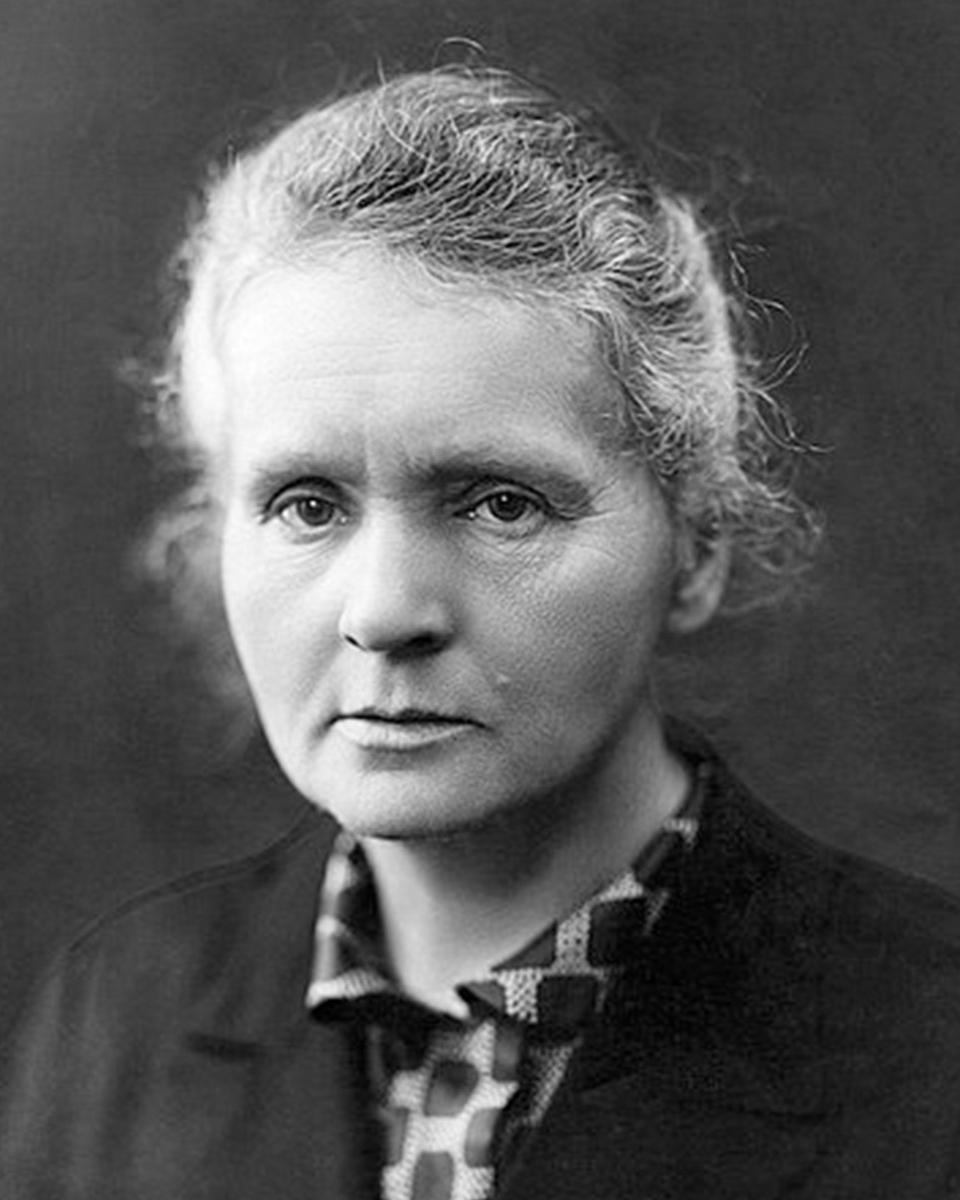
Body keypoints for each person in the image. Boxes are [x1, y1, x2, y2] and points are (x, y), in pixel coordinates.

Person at [2, 66, 960, 1200]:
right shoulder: (118, 1011)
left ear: (696, 547)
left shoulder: (928, 1047)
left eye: (499, 502)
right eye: (307, 505)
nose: (383, 612)